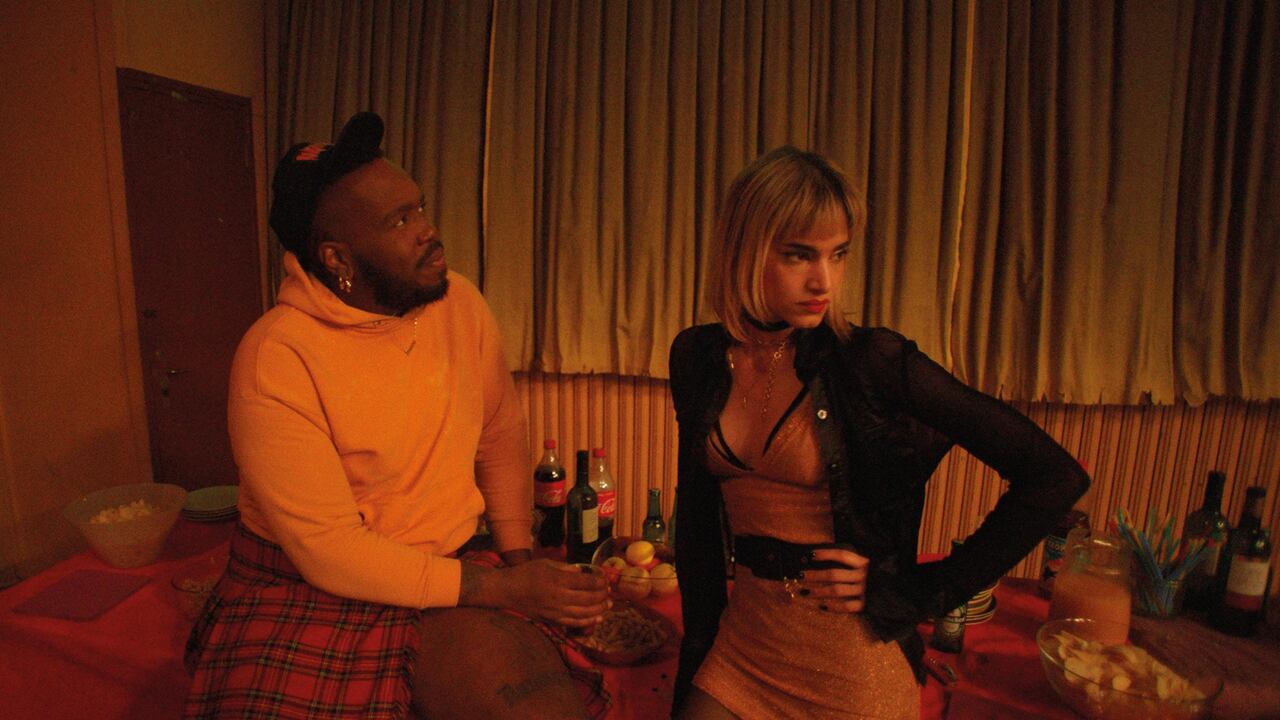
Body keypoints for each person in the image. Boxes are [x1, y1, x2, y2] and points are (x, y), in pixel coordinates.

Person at [183, 112, 611, 720]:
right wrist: (499, 587)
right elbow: (329, 550)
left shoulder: (459, 304)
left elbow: (498, 433)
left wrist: (518, 564)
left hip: (451, 562)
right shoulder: (276, 357)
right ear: (338, 258)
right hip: (308, 581)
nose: (428, 231)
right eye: (400, 220)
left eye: (420, 207)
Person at [668, 146, 1089, 719]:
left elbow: (1055, 476)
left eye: (838, 254)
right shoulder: (696, 356)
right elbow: (696, 526)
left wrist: (918, 592)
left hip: (850, 661)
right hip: (744, 649)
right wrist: (697, 651)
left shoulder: (871, 362)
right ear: (744, 249)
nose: (824, 280)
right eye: (799, 255)